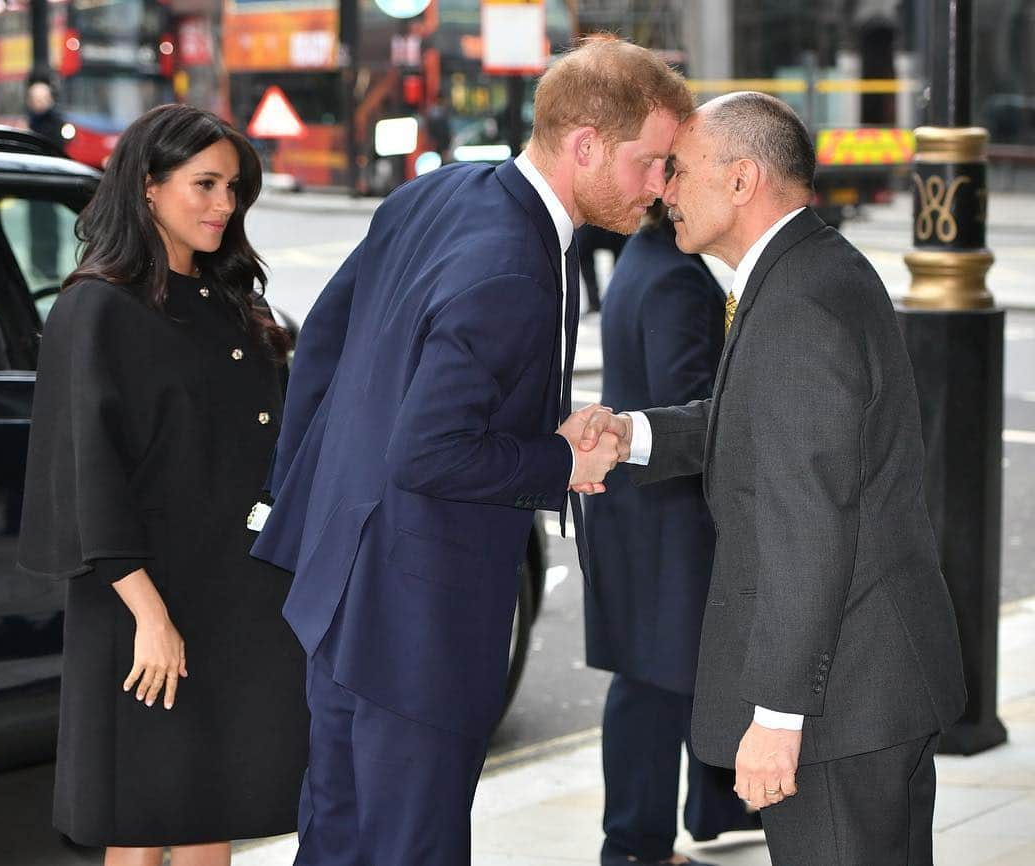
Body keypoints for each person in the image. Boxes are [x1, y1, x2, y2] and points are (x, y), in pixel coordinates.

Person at [248, 35, 693, 866]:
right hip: (419, 626)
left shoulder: (440, 194)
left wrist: (303, 515)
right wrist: (562, 463)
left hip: (343, 594)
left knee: (337, 841)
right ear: (586, 145)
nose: (660, 187)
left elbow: (322, 351)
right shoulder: (514, 267)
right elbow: (433, 453)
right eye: (653, 162)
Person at [577, 92, 966, 865]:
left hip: (842, 706)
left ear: (743, 180)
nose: (663, 190)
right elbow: (761, 424)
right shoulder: (807, 271)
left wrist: (779, 720)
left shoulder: (797, 305)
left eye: (680, 170)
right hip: (868, 686)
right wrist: (633, 436)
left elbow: (808, 525)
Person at [17, 104, 308, 866]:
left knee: (209, 805)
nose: (225, 205)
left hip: (234, 596)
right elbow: (87, 473)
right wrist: (150, 615)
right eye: (205, 184)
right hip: (142, 600)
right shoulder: (96, 310)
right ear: (148, 187)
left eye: (235, 188)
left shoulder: (231, 303)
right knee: (142, 818)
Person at [584, 198, 759, 866]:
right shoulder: (675, 283)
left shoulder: (647, 260)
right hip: (667, 522)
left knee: (664, 679)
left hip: (646, 515)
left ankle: (685, 820)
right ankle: (634, 848)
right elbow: (689, 408)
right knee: (653, 689)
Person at [26, 79, 67, 281]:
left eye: (43, 99)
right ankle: (38, 265)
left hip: (50, 181)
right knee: (35, 225)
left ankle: (49, 265)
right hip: (34, 182)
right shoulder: (30, 121)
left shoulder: (55, 121)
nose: (40, 103)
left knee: (49, 227)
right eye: (36, 99)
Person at [576, 222, 627, 312]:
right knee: (583, 251)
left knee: (622, 257)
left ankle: (615, 300)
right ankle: (595, 302)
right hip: (591, 220)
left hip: (615, 219)